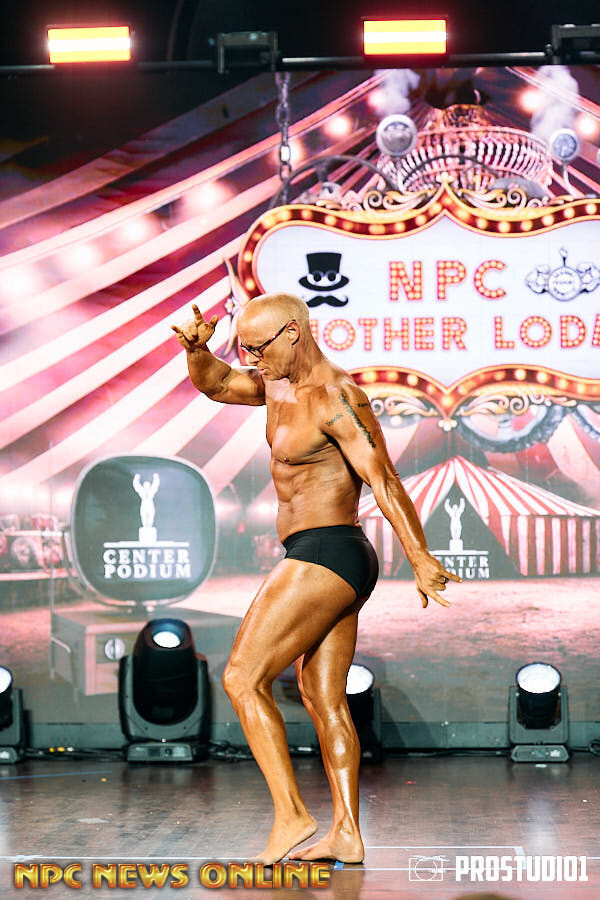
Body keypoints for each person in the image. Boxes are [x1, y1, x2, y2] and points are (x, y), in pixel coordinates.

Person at [171, 292, 460, 865]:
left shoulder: (337, 396)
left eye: (259, 348)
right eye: (244, 349)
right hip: (318, 553)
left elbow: (384, 479)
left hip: (330, 551)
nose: (251, 359)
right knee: (321, 696)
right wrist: (198, 351)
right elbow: (217, 384)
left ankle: (291, 816)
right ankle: (346, 834)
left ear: (293, 333)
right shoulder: (275, 385)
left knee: (242, 677)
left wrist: (421, 557)